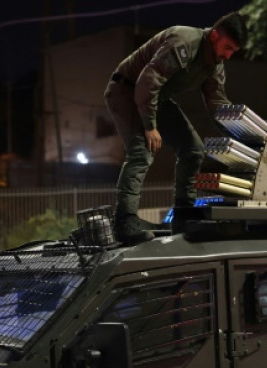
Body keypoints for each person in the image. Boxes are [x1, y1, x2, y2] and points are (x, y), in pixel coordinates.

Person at [104, 12, 248, 244]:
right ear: (214, 36)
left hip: (157, 98)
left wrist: (244, 133)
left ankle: (184, 216)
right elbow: (146, 82)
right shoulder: (185, 42)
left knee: (193, 149)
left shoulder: (216, 65)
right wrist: (150, 126)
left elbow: (217, 105)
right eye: (227, 47)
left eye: (234, 51)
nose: (229, 55)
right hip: (127, 90)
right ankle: (124, 222)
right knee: (142, 151)